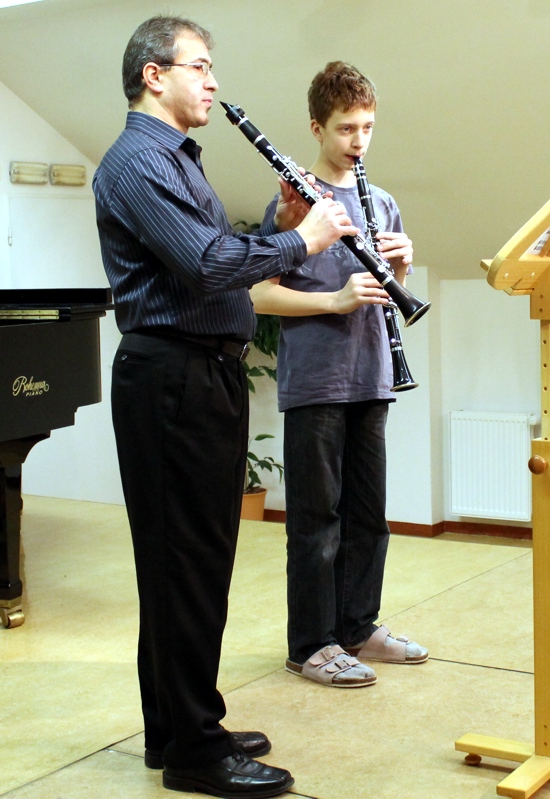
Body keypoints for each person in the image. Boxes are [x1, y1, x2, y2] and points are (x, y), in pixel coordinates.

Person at [93, 19, 358, 798]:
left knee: (188, 565)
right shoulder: (140, 161)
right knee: (186, 566)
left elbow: (216, 253)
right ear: (154, 75)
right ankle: (195, 751)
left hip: (196, 374)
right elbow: (210, 266)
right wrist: (306, 242)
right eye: (199, 66)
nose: (212, 81)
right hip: (173, 377)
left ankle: (175, 727)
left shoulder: (174, 157)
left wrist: (279, 228)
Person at [250, 61, 428, 689]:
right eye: (346, 128)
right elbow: (259, 296)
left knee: (368, 517)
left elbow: (384, 298)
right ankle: (310, 644)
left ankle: (357, 627)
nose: (359, 141)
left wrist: (398, 271)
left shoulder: (382, 202)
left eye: (367, 128)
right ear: (317, 128)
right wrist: (334, 300)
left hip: (371, 376)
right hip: (316, 382)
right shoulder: (294, 205)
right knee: (317, 521)